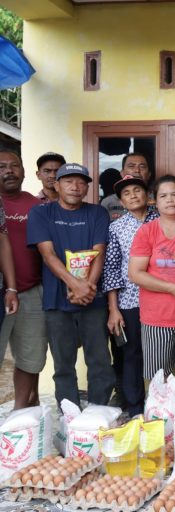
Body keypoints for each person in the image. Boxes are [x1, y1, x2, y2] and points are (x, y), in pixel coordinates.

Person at [27, 163, 115, 406]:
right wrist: (75, 285)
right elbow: (48, 255)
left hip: (93, 300)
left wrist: (88, 287)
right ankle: (70, 416)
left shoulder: (97, 212)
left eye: (81, 182)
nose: (75, 187)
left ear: (87, 187)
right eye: (68, 181)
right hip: (56, 300)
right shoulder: (41, 213)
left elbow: (100, 252)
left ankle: (98, 413)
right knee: (63, 364)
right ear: (56, 185)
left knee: (99, 361)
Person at [128, 175, 175, 402]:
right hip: (156, 316)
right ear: (154, 202)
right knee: (159, 374)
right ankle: (162, 422)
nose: (170, 200)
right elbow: (135, 273)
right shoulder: (147, 232)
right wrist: (173, 289)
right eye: (163, 196)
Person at [102, 175, 159, 416]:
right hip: (129, 300)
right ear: (122, 202)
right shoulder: (116, 227)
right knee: (132, 354)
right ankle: (135, 408)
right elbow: (111, 269)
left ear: (148, 196)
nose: (133, 195)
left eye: (138, 190)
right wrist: (113, 309)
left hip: (161, 298)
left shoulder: (163, 220)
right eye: (127, 193)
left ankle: (159, 406)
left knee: (158, 354)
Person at [0, 148, 39, 409]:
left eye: (14, 165)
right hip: (2, 293)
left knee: (30, 357)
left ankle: (20, 414)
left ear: (24, 171)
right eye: (2, 167)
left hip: (33, 292)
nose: (9, 171)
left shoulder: (37, 206)